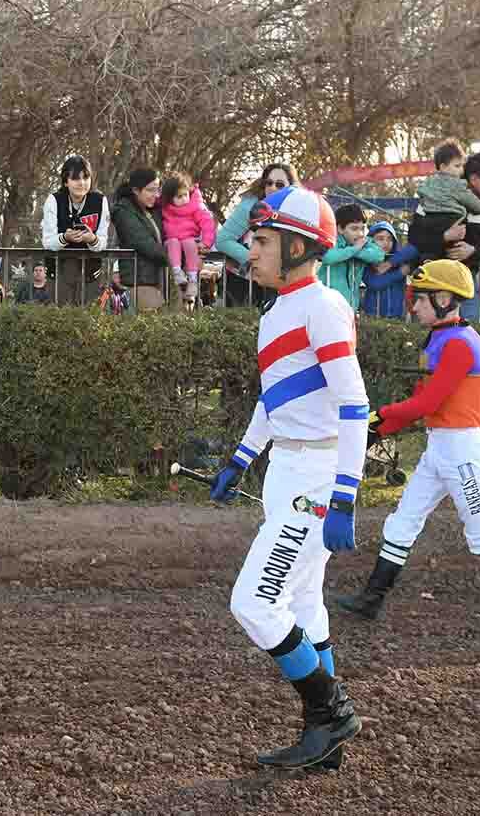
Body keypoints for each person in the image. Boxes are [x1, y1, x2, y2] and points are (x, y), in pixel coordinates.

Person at [209, 185, 365, 770]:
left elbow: (354, 404)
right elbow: (273, 397)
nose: (250, 252)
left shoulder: (323, 307)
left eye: (263, 241)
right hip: (288, 469)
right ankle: (324, 738)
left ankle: (332, 713)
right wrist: (242, 458)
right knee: (304, 604)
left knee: (253, 603)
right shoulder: (277, 309)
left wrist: (346, 491)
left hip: (317, 476)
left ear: (300, 247)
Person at [338, 259, 480, 638]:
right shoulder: (438, 339)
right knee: (403, 520)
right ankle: (370, 601)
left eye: (420, 300)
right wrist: (377, 429)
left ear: (445, 299)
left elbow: (425, 405)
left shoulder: (461, 344)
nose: (414, 307)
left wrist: (376, 416)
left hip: (461, 452)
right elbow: (421, 402)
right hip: (439, 447)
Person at [409, 152, 480, 321]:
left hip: (467, 280)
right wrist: (444, 237)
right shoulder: (434, 195)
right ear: (474, 179)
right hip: (431, 279)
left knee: (468, 327)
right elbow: (415, 238)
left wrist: (473, 251)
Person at [214, 162, 299, 307]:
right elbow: (222, 240)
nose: (272, 188)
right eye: (269, 183)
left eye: (279, 184)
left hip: (278, 282)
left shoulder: (295, 211)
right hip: (242, 282)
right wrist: (255, 260)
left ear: (291, 187)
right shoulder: (249, 206)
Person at [41, 155, 110, 305]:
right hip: (59, 271)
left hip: (90, 273)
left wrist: (92, 239)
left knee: (89, 319)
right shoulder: (53, 201)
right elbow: (47, 242)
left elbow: (103, 242)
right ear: (66, 181)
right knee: (60, 317)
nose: (82, 183)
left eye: (86, 178)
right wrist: (65, 238)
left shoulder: (100, 201)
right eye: (76, 179)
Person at [110, 168, 168, 312]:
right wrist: (177, 259)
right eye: (150, 190)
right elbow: (143, 243)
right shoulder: (123, 211)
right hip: (139, 282)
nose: (156, 195)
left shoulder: (153, 209)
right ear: (136, 190)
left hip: (159, 279)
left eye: (157, 190)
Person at [159, 172, 216, 309]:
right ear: (170, 198)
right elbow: (156, 200)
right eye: (179, 196)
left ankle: (192, 278)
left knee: (189, 243)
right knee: (173, 242)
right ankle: (177, 272)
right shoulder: (165, 207)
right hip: (171, 241)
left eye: (186, 194)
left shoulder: (195, 206)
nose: (184, 199)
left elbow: (207, 222)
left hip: (190, 240)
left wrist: (206, 242)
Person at [322, 204, 383, 311]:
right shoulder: (332, 241)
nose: (360, 234)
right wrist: (355, 249)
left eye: (363, 229)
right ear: (340, 229)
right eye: (354, 229)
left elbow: (378, 255)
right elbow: (328, 257)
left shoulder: (363, 241)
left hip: (350, 308)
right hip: (328, 308)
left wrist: (353, 250)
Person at [415, 140, 480, 220]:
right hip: (450, 218)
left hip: (429, 217)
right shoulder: (455, 184)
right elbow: (470, 199)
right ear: (443, 167)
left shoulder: (429, 181)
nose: (461, 170)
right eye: (457, 166)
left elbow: (421, 192)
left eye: (462, 166)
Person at [360, 221, 419, 318]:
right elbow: (375, 284)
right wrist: (400, 273)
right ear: (370, 241)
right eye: (380, 238)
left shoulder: (399, 258)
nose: (386, 243)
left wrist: (390, 263)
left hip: (397, 316)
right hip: (373, 317)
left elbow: (414, 249)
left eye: (390, 239)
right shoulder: (365, 261)